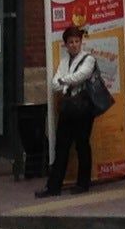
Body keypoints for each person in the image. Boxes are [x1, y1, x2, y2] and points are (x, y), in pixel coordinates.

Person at [36, 25, 96, 198]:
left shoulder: (88, 59)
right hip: (68, 107)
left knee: (82, 144)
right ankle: (53, 186)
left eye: (77, 41)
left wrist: (63, 81)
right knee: (61, 146)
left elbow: (82, 75)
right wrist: (65, 82)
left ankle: (83, 183)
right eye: (71, 42)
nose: (74, 45)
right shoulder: (63, 62)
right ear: (66, 44)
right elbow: (54, 84)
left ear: (81, 42)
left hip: (84, 108)